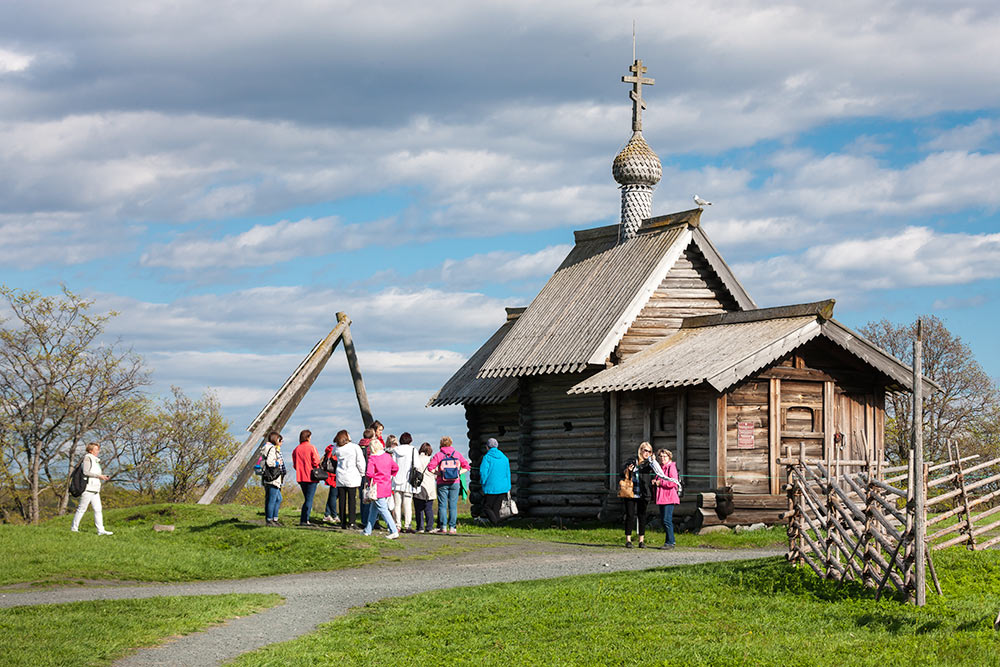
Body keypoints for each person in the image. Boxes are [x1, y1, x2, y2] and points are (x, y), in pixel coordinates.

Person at [428, 436, 471, 534]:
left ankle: (443, 527)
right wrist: (458, 473)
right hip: (455, 482)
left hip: (442, 482)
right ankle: (452, 528)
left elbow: (430, 467)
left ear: (441, 444)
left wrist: (439, 473)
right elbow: (467, 466)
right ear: (451, 443)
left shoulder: (439, 455)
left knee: (442, 505)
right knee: (453, 506)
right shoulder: (457, 454)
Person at [70, 442, 113, 535]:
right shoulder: (87, 458)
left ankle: (101, 530)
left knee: (98, 509)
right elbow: (86, 472)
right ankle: (74, 528)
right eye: (96, 449)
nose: (98, 451)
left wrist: (102, 476)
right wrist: (99, 476)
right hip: (88, 488)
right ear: (90, 450)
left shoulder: (95, 460)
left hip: (95, 489)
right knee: (82, 509)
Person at [363, 439, 399, 539]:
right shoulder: (387, 456)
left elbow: (369, 473)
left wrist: (371, 478)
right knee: (373, 510)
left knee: (383, 510)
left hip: (376, 487)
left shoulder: (372, 458)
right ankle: (368, 530)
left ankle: (393, 530)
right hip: (386, 485)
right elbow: (395, 467)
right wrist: (388, 474)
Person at [621, 441, 654, 548]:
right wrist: (628, 469)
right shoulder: (632, 460)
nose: (647, 453)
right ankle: (628, 540)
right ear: (641, 450)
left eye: (649, 451)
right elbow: (622, 472)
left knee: (642, 516)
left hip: (644, 493)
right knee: (630, 515)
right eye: (645, 450)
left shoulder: (650, 464)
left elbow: (655, 474)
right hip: (631, 492)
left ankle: (641, 541)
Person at [651, 448, 681, 549]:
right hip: (662, 497)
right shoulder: (660, 468)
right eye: (661, 456)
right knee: (664, 520)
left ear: (669, 457)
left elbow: (673, 482)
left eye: (665, 456)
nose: (663, 458)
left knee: (667, 520)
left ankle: (671, 542)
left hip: (669, 497)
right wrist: (655, 482)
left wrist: (660, 483)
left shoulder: (671, 467)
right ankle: (668, 541)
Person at [335, 430, 364, 529]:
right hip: (352, 476)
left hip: (340, 476)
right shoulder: (354, 447)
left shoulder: (337, 448)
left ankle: (343, 521)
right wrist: (362, 472)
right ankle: (352, 522)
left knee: (342, 500)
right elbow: (360, 461)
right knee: (352, 500)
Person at [478, 437, 511, 526]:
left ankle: (495, 523)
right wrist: (508, 486)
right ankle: (496, 525)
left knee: (486, 507)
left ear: (487, 447)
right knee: (496, 507)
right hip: (503, 487)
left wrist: (483, 482)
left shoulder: (487, 458)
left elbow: (483, 472)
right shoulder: (504, 458)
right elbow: (508, 473)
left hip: (491, 486)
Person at [388, 432, 417, 532]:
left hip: (396, 479)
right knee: (407, 504)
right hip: (409, 480)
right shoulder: (413, 450)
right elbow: (417, 465)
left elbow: (393, 465)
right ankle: (407, 525)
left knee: (397, 504)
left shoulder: (395, 450)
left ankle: (397, 525)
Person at [292, 429, 321, 527]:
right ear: (308, 437)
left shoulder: (296, 449)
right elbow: (316, 461)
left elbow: (295, 464)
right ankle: (304, 520)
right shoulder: (312, 447)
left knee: (307, 498)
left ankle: (304, 519)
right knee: (309, 499)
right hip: (311, 476)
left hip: (301, 476)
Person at [261, 431, 286, 526]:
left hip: (268, 477)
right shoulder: (272, 449)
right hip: (273, 477)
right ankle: (270, 520)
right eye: (280, 440)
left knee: (278, 498)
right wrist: (277, 463)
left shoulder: (266, 448)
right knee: (273, 499)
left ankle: (273, 519)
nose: (281, 442)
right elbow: (269, 462)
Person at [412, 442, 436, 533]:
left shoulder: (417, 459)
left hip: (418, 484)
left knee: (418, 508)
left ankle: (420, 527)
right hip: (429, 485)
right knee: (429, 508)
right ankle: (429, 526)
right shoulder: (431, 460)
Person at [322, 442, 339, 524]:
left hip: (331, 475)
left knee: (333, 495)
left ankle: (327, 514)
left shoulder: (330, 449)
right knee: (334, 495)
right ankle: (334, 515)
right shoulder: (335, 450)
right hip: (334, 475)